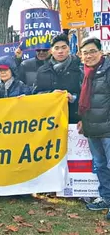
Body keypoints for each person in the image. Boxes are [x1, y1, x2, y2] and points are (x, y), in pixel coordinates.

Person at [77, 38, 110, 218]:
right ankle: (106, 197)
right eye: (85, 53)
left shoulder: (107, 70)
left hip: (108, 128)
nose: (88, 55)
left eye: (92, 51)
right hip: (92, 128)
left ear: (100, 52)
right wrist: (82, 118)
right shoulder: (86, 73)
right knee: (100, 165)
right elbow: (86, 101)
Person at [34, 34, 82, 123]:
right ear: (51, 51)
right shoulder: (42, 71)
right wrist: (51, 95)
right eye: (56, 48)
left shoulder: (79, 68)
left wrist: (73, 98)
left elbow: (87, 95)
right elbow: (36, 94)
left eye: (64, 47)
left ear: (69, 49)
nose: (60, 51)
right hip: (50, 121)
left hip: (74, 121)